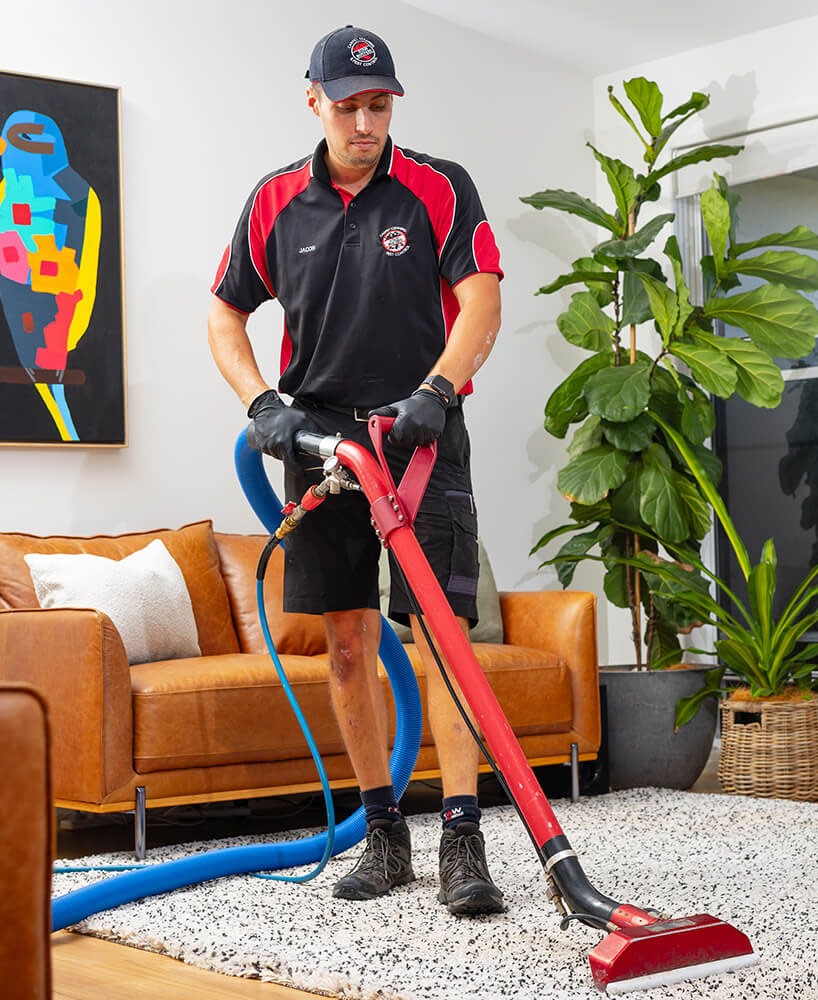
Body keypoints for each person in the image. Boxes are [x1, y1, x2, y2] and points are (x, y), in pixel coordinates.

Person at [206, 24, 505, 916]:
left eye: (379, 106)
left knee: (445, 643)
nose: (367, 123)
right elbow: (225, 318)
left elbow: (483, 302)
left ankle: (461, 837)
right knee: (345, 645)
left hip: (419, 431)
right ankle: (383, 834)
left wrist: (439, 390)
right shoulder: (273, 204)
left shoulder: (439, 189)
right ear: (315, 102)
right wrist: (264, 405)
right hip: (321, 447)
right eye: (349, 107)